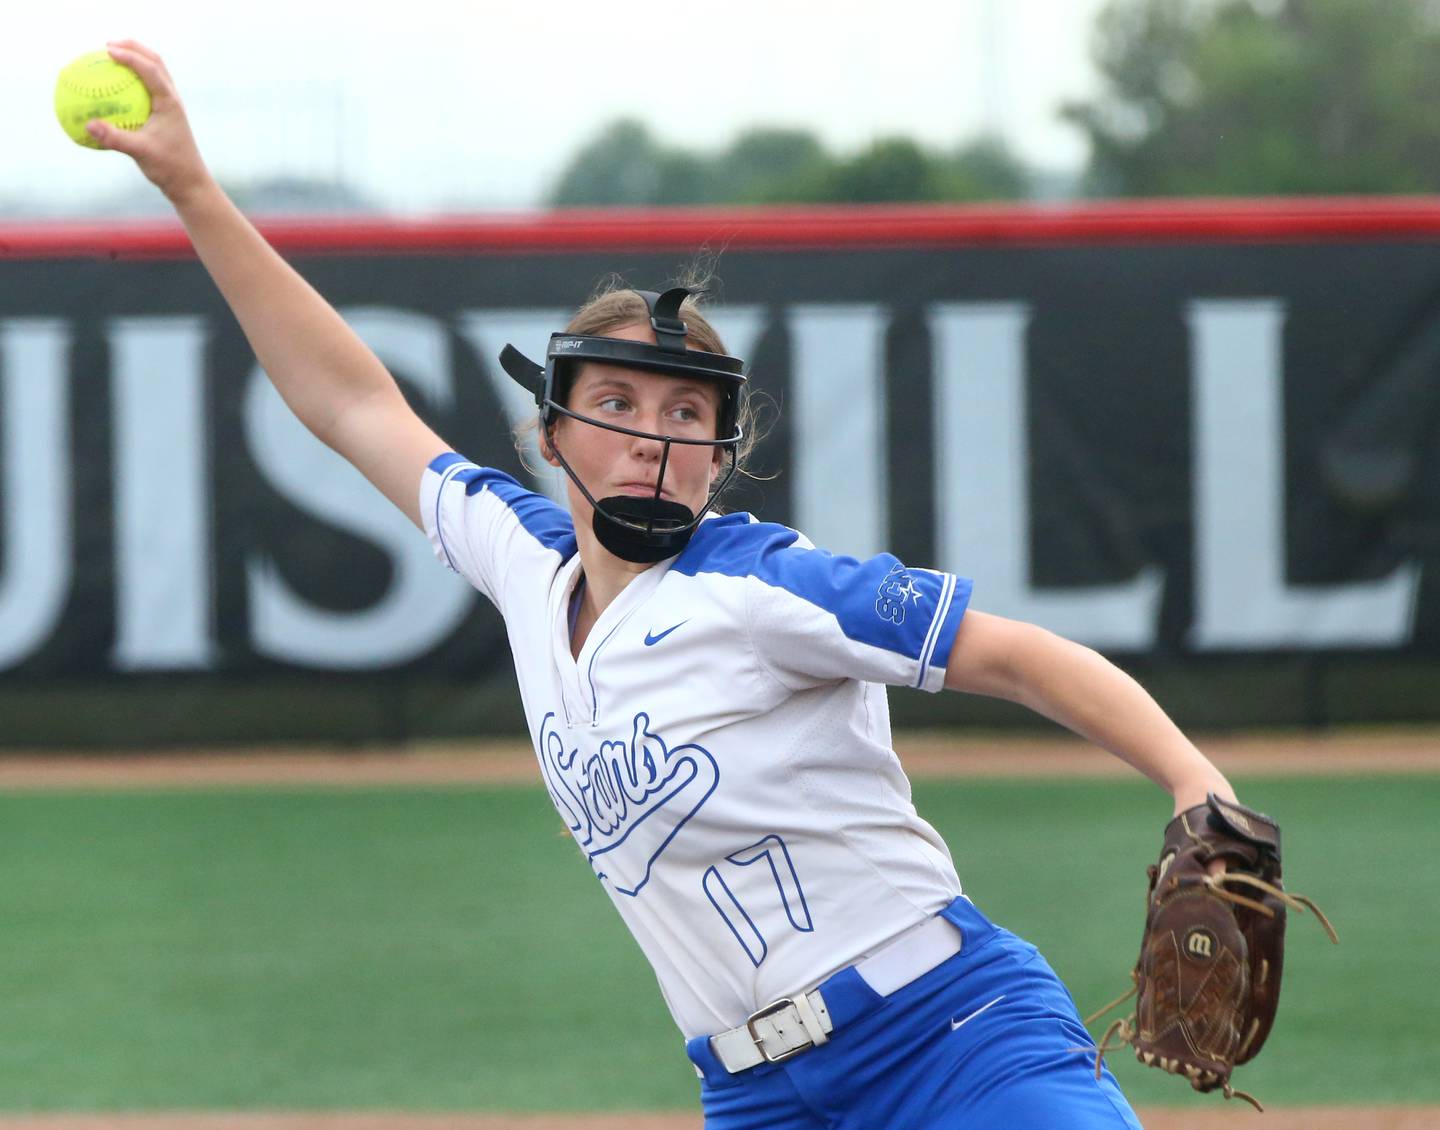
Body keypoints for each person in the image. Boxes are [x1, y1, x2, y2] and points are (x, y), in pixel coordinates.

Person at [91, 41, 1248, 1128]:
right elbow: (351, 404)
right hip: (750, 1089)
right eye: (618, 404)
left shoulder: (763, 584)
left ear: (718, 449)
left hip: (947, 1036)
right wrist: (194, 188)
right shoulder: (522, 563)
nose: (653, 435)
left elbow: (1011, 653)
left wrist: (1195, 782)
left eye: (686, 412)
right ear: (553, 434)